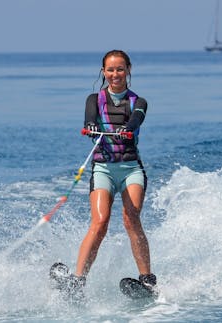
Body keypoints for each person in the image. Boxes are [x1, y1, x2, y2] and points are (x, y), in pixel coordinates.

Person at [67, 49, 156, 298]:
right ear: (103, 72)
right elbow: (90, 119)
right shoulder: (93, 99)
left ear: (128, 70)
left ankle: (148, 281)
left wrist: (128, 129)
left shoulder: (139, 102)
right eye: (110, 69)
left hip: (130, 169)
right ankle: (77, 281)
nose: (115, 74)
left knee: (131, 219)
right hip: (103, 168)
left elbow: (137, 118)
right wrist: (91, 126)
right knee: (100, 223)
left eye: (120, 69)